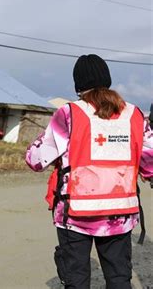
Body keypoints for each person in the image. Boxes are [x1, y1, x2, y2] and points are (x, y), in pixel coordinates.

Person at [26, 54, 153, 289]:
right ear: (107, 79)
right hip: (120, 214)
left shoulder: (69, 113)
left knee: (76, 281)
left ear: (78, 85)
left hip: (75, 214)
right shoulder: (134, 114)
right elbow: (150, 162)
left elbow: (35, 160)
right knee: (118, 279)